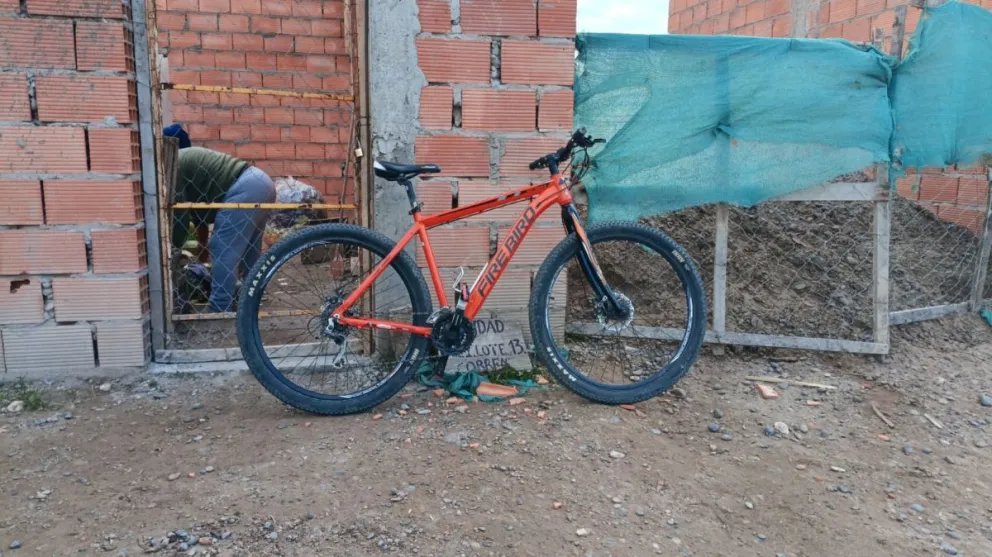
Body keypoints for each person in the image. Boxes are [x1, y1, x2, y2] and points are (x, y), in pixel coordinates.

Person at [164, 124, 276, 313]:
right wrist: (202, 246)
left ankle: (220, 307)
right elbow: (199, 213)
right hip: (261, 183)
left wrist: (172, 248)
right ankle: (251, 299)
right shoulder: (186, 158)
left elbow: (180, 217)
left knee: (222, 247)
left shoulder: (174, 166)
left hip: (245, 188)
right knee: (250, 251)